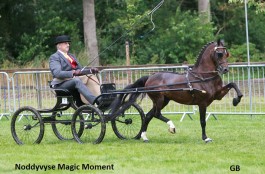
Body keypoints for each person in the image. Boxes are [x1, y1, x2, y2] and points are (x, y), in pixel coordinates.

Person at [49, 35, 99, 104]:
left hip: (72, 81)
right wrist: (73, 73)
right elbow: (57, 73)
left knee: (91, 77)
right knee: (76, 80)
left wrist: (90, 70)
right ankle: (95, 101)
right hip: (60, 84)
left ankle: (99, 97)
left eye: (68, 43)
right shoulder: (55, 57)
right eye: (65, 43)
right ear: (59, 45)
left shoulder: (70, 57)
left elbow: (79, 70)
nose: (68, 45)